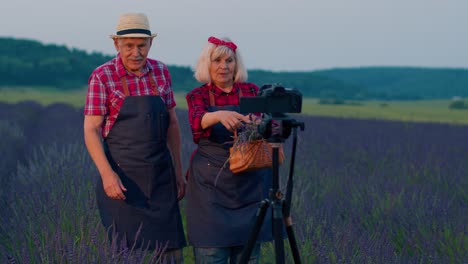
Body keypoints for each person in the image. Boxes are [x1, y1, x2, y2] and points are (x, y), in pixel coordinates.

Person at [83, 13, 186, 262]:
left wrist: (178, 172)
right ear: (117, 44)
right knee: (127, 253)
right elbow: (91, 129)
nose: (136, 53)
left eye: (142, 45)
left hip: (161, 177)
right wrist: (108, 175)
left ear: (151, 44)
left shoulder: (161, 72)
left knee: (171, 253)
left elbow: (172, 124)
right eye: (129, 45)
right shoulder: (102, 75)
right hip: (123, 181)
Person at [185, 36, 273, 263]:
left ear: (236, 64)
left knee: (248, 253)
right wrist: (218, 116)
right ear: (207, 63)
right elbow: (196, 121)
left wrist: (260, 124)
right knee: (211, 252)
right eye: (217, 60)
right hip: (210, 185)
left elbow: (268, 125)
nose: (224, 66)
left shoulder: (251, 91)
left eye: (229, 60)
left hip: (249, 184)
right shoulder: (199, 95)